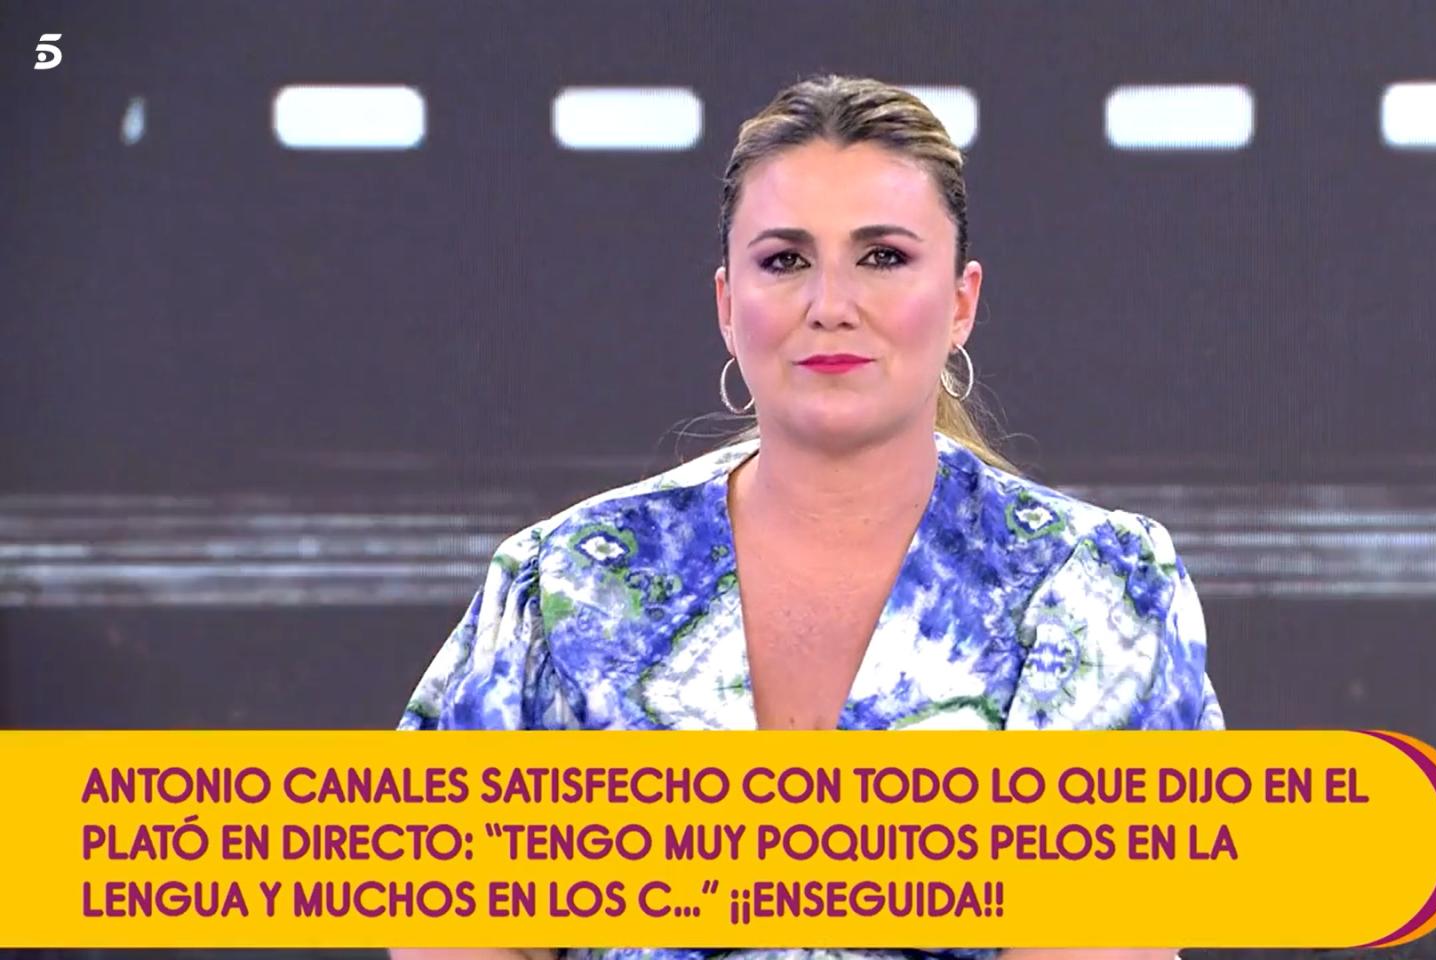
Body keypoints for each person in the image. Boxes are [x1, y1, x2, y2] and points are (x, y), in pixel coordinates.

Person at [391, 74, 1221, 960]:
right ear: (727, 306)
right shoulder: (564, 583)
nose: (831, 305)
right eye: (785, 260)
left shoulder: (1096, 588)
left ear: (962, 302)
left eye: (883, 257)